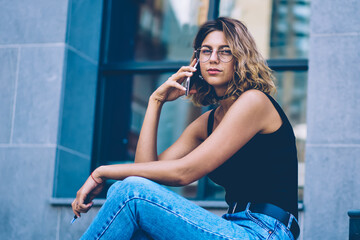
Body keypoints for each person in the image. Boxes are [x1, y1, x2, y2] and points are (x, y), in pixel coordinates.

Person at [72, 17, 300, 240]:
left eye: (225, 51)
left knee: (129, 193)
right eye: (206, 51)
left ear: (240, 58)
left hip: (265, 231)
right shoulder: (207, 123)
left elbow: (184, 173)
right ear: (196, 62)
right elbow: (143, 173)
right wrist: (156, 101)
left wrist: (101, 172)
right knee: (128, 200)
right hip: (231, 224)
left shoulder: (255, 102)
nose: (213, 59)